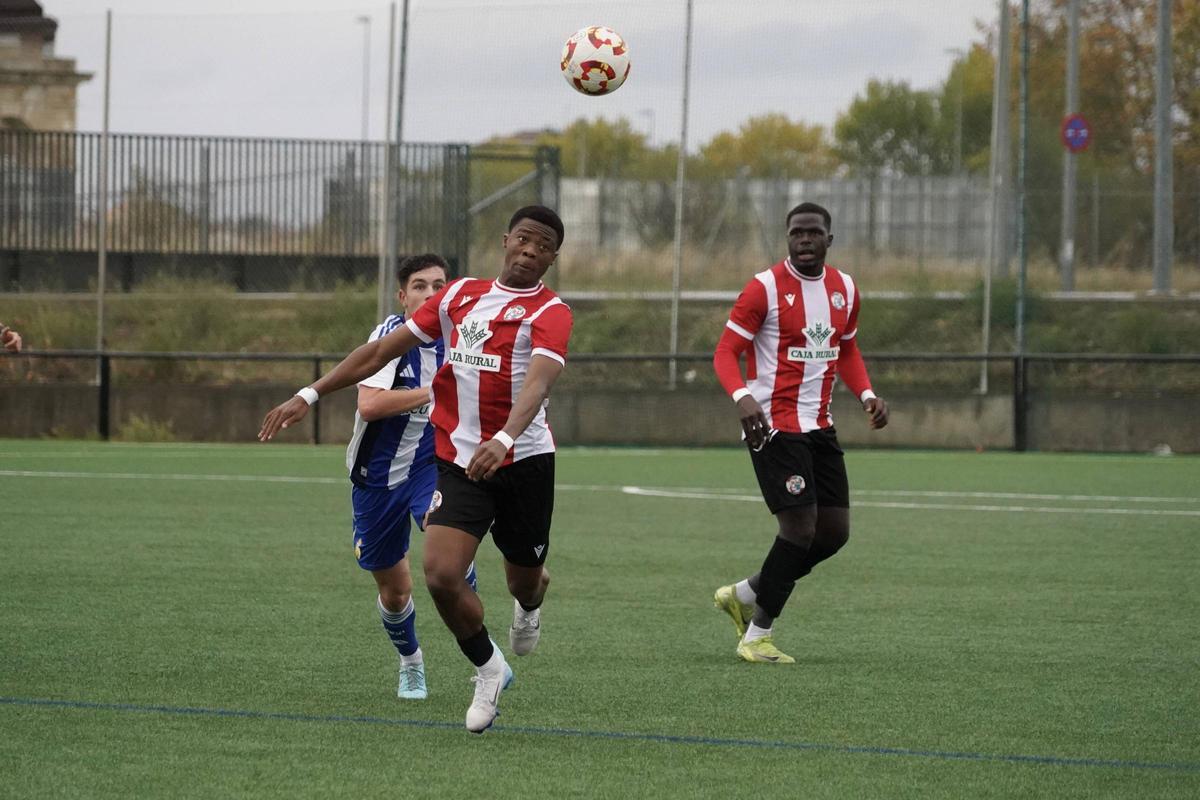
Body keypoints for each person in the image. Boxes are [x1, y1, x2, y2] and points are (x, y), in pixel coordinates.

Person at [260, 206, 573, 733]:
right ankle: (489, 669)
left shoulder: (552, 313)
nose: (529, 251)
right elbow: (383, 349)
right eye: (523, 239)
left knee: (524, 579)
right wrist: (310, 393)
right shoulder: (459, 298)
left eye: (542, 247)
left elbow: (539, 384)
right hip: (457, 462)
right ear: (505, 241)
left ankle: (529, 605)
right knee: (441, 575)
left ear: (552, 259)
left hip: (523, 462)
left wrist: (503, 438)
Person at [711, 201, 889, 664]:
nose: (804, 240)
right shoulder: (763, 289)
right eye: (796, 233)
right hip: (771, 427)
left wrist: (866, 394)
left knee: (833, 534)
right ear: (786, 238)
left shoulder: (845, 289)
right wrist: (741, 397)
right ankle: (756, 636)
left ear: (829, 238)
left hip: (820, 427)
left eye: (813, 233)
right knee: (799, 527)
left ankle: (747, 592)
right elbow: (726, 353)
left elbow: (845, 350)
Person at [346, 253, 477, 702]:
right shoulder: (389, 337)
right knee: (396, 591)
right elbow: (369, 404)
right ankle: (411, 662)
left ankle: (484, 661)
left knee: (451, 557)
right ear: (403, 297)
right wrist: (433, 391)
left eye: (439, 285)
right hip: (377, 478)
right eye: (420, 286)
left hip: (429, 468)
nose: (431, 294)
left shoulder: (461, 338)